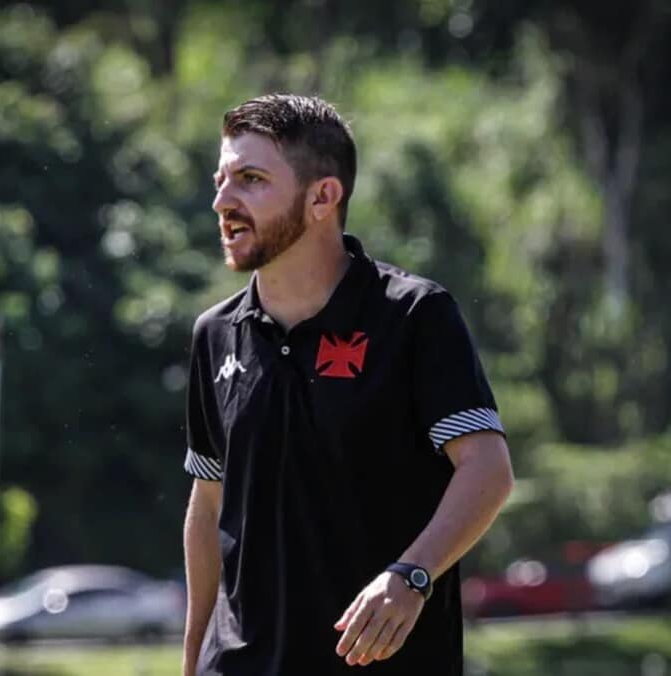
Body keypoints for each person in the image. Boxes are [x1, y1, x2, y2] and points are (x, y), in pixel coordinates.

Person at [181, 93, 515, 676]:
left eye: (251, 179)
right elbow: (208, 507)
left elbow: (488, 470)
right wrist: (191, 661)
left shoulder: (413, 315)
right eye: (222, 179)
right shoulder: (215, 334)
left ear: (322, 197)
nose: (222, 201)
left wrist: (411, 577)